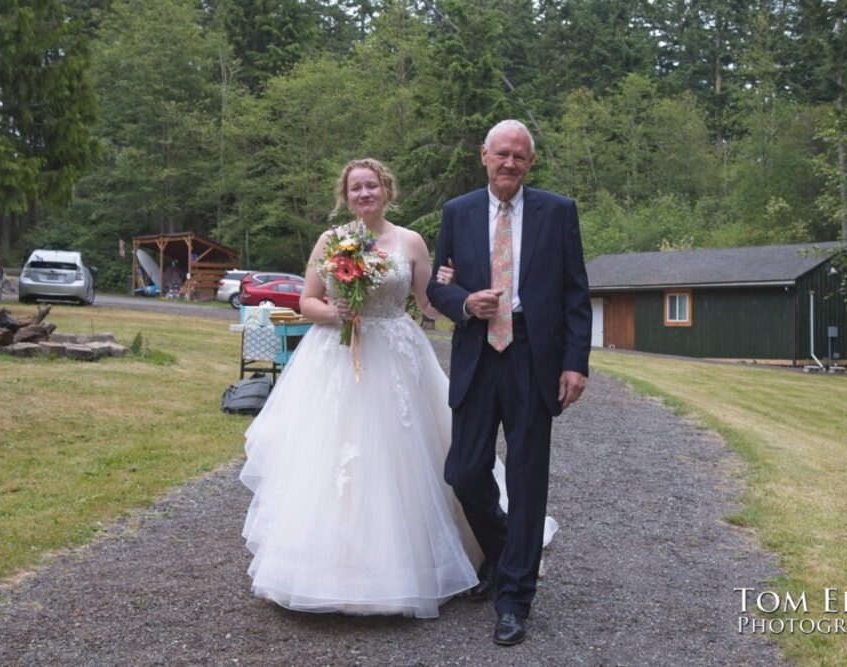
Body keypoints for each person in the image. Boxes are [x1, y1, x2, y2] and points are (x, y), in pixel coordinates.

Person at [239, 158, 482, 618]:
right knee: (329, 455)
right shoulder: (331, 240)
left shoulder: (410, 241)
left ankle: (411, 566)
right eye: (356, 188)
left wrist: (460, 292)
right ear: (345, 195)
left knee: (401, 456)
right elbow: (307, 300)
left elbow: (429, 304)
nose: (364, 193)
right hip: (336, 353)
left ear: (386, 191)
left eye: (372, 186)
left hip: (394, 351)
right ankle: (323, 570)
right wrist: (337, 315)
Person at [426, 120, 593, 646]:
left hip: (531, 356)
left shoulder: (558, 212)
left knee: (526, 478)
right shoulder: (458, 212)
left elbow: (575, 293)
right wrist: (463, 304)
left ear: (530, 163)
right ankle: (504, 551)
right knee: (464, 470)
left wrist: (575, 363)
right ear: (484, 155)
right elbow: (437, 284)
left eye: (520, 157)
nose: (510, 164)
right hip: (478, 353)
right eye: (502, 154)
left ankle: (515, 598)